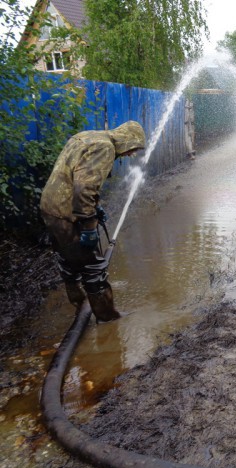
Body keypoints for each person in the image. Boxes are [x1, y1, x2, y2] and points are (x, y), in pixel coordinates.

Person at [40, 120, 146, 323]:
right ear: (127, 140)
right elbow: (84, 189)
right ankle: (107, 317)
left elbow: (74, 175)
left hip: (50, 206)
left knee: (68, 261)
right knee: (93, 268)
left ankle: (80, 305)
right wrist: (89, 225)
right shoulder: (105, 147)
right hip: (66, 213)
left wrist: (95, 207)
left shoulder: (88, 136)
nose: (132, 154)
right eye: (133, 148)